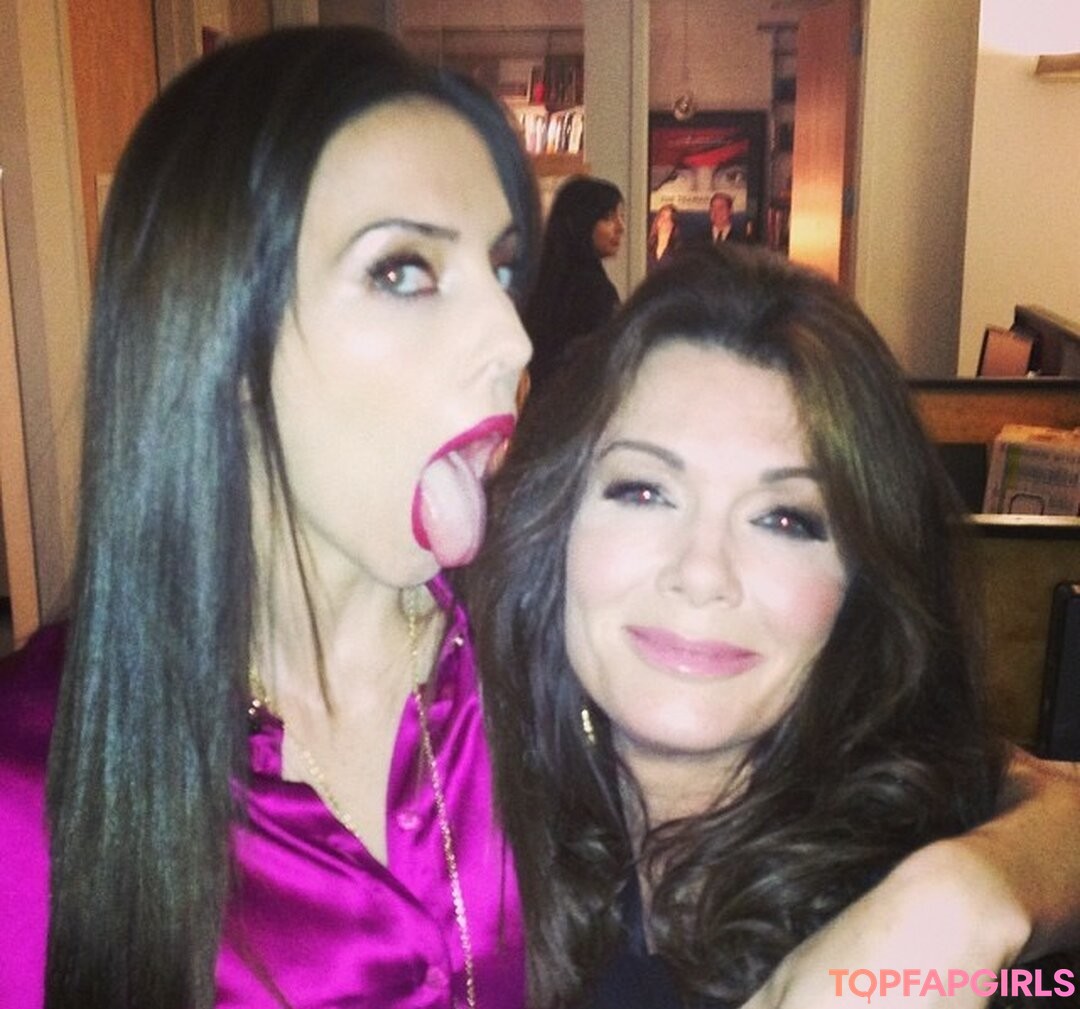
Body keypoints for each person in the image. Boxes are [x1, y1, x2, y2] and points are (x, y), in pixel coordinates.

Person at [0, 26, 539, 1009]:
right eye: (404, 270)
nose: (512, 339)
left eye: (500, 270)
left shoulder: (541, 676)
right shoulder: (26, 785)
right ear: (215, 328)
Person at [473, 245, 1080, 1009]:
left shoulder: (916, 870)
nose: (703, 572)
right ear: (554, 520)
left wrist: (956, 900)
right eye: (644, 491)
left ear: (861, 584)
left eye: (785, 519)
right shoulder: (452, 798)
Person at [522, 175, 625, 393]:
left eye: (620, 216)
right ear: (582, 222)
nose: (620, 227)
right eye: (608, 218)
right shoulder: (595, 291)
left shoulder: (539, 280)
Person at [646, 203, 682, 271]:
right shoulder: (646, 249)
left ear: (673, 224)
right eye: (662, 216)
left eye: (669, 218)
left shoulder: (678, 253)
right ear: (657, 221)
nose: (665, 220)